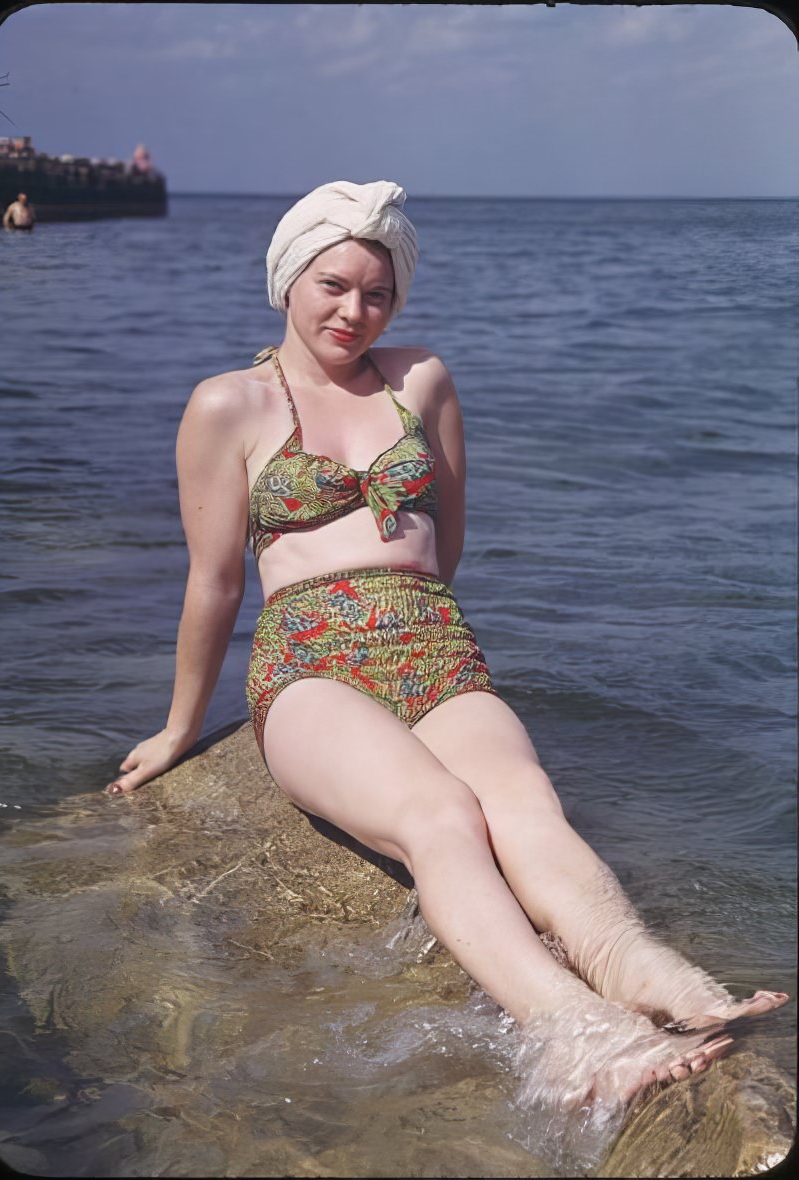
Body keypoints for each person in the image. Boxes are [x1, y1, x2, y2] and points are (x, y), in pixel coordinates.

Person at [105, 181, 787, 1108]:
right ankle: (573, 1032)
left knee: (522, 800)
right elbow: (215, 582)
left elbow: (447, 536)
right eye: (333, 285)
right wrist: (180, 727)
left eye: (378, 294)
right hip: (309, 663)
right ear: (287, 277)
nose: (355, 311)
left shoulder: (418, 377)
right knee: (441, 818)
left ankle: (644, 970)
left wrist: (414, 621)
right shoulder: (228, 405)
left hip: (430, 642)